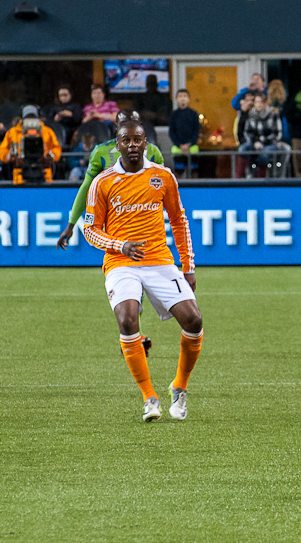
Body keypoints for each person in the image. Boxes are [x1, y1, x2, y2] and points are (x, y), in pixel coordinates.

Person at [82, 117, 203, 423]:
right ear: (117, 144)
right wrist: (119, 245)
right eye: (127, 140)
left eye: (138, 140)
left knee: (194, 320)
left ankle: (180, 387)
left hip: (159, 260)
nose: (133, 145)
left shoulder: (162, 176)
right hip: (121, 263)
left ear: (146, 143)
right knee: (127, 319)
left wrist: (188, 265)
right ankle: (149, 397)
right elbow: (90, 229)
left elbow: (179, 221)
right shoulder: (102, 182)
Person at [57, 109, 166, 249]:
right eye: (124, 125)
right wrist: (71, 224)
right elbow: (87, 188)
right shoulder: (101, 152)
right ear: (117, 127)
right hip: (115, 224)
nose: (129, 129)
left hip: (146, 225)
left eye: (134, 124)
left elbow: (164, 191)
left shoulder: (153, 152)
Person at [0, 105, 63, 184]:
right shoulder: (13, 132)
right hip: (20, 175)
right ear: (22, 119)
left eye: (33, 117)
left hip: (43, 173)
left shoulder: (47, 131)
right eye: (28, 117)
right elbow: (3, 150)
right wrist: (10, 156)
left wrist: (50, 155)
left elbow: (57, 148)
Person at [239, 91, 287, 177]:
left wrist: (262, 142)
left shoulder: (273, 115)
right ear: (254, 103)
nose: (259, 104)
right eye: (257, 102)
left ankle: (261, 178)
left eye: (261, 102)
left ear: (265, 103)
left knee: (264, 154)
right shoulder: (251, 115)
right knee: (243, 148)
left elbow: (277, 134)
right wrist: (255, 142)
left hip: (270, 144)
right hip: (255, 143)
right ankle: (240, 177)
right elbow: (247, 132)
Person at [169, 88, 201, 169]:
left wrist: (189, 144)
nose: (182, 99)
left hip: (192, 147)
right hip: (178, 148)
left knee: (193, 170)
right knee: (179, 170)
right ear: (176, 99)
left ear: (189, 99)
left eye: (185, 96)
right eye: (180, 96)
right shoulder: (173, 114)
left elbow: (196, 131)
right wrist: (180, 145)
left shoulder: (194, 114)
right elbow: (171, 132)